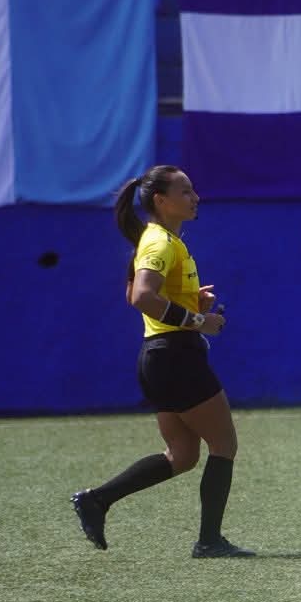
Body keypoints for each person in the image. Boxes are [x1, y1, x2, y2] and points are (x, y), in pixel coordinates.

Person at [69, 166, 253, 558]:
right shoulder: (160, 243)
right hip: (176, 356)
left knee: (182, 456)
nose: (195, 198)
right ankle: (210, 542)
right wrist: (199, 321)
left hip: (160, 357)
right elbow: (140, 297)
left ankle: (97, 500)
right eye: (185, 192)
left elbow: (134, 293)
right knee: (224, 443)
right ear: (161, 200)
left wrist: (191, 302)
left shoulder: (160, 239)